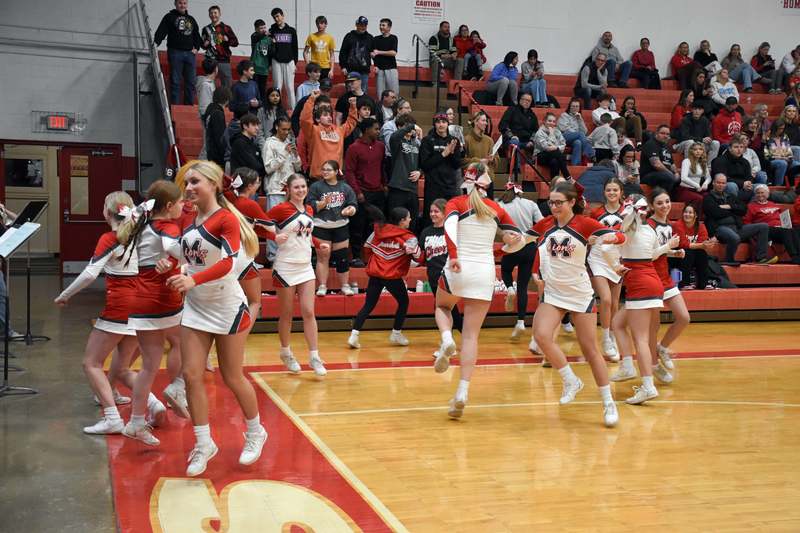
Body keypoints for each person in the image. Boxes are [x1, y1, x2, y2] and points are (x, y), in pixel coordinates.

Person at [164, 161, 266, 476]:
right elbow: (189, 255)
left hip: (226, 307)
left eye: (195, 181)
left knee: (232, 377)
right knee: (191, 375)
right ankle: (203, 443)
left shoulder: (226, 219)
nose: (189, 188)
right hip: (196, 307)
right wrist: (170, 263)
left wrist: (193, 279)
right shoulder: (187, 218)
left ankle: (256, 432)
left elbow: (228, 263)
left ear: (213, 184)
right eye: (186, 183)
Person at [432, 163, 523, 419]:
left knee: (442, 306)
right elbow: (517, 239)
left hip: (460, 267)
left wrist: (453, 255)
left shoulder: (457, 203)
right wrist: (505, 246)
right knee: (471, 336)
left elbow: (449, 228)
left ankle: (446, 339)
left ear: (466, 179)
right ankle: (462, 392)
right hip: (485, 272)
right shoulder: (496, 208)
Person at [530, 181, 625, 426]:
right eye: (551, 202)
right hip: (553, 292)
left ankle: (608, 402)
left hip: (579, 294)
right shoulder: (546, 224)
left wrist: (610, 237)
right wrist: (509, 241)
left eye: (558, 203)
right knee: (541, 335)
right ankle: (570, 380)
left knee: (590, 349)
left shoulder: (585, 224)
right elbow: (523, 239)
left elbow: (621, 236)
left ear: (572, 202)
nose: (554, 207)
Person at [54, 192, 141, 434]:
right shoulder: (139, 236)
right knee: (122, 367)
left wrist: (65, 295)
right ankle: (154, 406)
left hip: (119, 306)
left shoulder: (109, 238)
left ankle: (112, 418)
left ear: (107, 212)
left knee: (91, 363)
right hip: (141, 308)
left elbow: (90, 274)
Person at [117, 181, 185, 445]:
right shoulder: (167, 226)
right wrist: (179, 257)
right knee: (187, 343)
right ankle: (178, 388)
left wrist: (172, 261)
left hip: (141, 299)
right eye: (180, 202)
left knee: (148, 366)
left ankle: (136, 422)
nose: (183, 206)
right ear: (169, 206)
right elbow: (176, 248)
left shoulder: (142, 224)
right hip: (161, 299)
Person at [609, 194, 677, 404]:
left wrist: (615, 266)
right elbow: (653, 254)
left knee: (641, 339)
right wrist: (668, 246)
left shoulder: (625, 230)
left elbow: (605, 248)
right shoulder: (649, 230)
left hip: (640, 284)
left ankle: (648, 387)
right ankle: (627, 365)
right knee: (617, 323)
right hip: (653, 282)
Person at [263, 173, 330, 379]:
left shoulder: (309, 209)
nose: (301, 190)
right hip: (285, 267)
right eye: (296, 187)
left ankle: (314, 356)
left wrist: (318, 244)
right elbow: (257, 225)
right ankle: (286, 352)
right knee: (287, 314)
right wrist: (273, 236)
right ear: (289, 190)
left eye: (303, 186)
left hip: (305, 267)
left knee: (309, 311)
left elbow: (305, 235)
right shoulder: (281, 209)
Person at [348, 206, 420, 349]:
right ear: (402, 221)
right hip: (392, 276)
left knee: (368, 305)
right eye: (408, 217)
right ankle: (396, 333)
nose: (410, 219)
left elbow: (367, 248)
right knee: (404, 302)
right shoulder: (409, 237)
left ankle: (354, 335)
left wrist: (377, 260)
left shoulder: (378, 231)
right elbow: (417, 257)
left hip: (376, 274)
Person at [648, 189, 691, 376]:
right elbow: (647, 255)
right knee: (653, 327)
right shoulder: (648, 225)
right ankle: (653, 364)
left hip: (665, 277)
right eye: (659, 203)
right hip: (650, 279)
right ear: (651, 205)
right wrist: (668, 247)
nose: (664, 206)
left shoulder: (668, 225)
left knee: (684, 317)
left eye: (667, 201)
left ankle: (663, 348)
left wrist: (674, 253)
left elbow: (661, 252)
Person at [222, 168, 270, 327]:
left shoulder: (226, 200)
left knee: (227, 302)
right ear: (250, 186)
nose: (258, 185)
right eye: (257, 182)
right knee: (255, 301)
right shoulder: (249, 204)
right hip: (242, 256)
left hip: (223, 254)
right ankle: (241, 336)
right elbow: (270, 228)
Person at [498, 183, 543, 340]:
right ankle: (521, 322)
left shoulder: (500, 204)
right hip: (529, 246)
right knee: (523, 286)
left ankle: (510, 288)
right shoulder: (530, 204)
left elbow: (494, 224)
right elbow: (541, 224)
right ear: (520, 192)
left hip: (512, 245)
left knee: (505, 270)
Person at [307, 160, 358, 296]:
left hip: (341, 226)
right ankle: (322, 286)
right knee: (323, 258)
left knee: (342, 257)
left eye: (329, 170)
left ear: (336, 172)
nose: (325, 172)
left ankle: (345, 285)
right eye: (323, 169)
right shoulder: (316, 187)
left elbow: (353, 204)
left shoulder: (345, 187)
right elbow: (309, 206)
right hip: (321, 226)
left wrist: (350, 210)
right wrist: (322, 204)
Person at [588, 178, 625, 361]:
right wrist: (589, 239)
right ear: (604, 192)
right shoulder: (596, 212)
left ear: (621, 192)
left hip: (617, 259)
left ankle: (613, 336)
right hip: (597, 258)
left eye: (615, 190)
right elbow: (588, 233)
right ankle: (605, 339)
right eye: (609, 190)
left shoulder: (627, 212)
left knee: (615, 302)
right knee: (606, 299)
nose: (612, 193)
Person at [702, 173, 776, 265]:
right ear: (713, 183)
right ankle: (729, 260)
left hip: (737, 227)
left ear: (726, 184)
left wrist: (729, 206)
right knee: (735, 237)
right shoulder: (708, 198)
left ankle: (761, 258)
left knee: (763, 226)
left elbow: (743, 209)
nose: (721, 185)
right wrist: (734, 210)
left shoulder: (730, 196)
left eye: (723, 183)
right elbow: (715, 212)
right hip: (719, 228)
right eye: (718, 182)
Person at [345, 118, 387, 264]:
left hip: (378, 191)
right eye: (376, 129)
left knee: (375, 226)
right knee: (358, 225)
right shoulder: (354, 148)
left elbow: (382, 167)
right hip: (362, 192)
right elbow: (349, 172)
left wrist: (384, 184)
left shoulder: (380, 146)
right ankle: (357, 256)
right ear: (367, 130)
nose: (378, 131)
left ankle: (372, 255)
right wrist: (357, 192)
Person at [419, 199, 463, 332]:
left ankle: (452, 336)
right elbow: (421, 255)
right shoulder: (426, 232)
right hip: (433, 276)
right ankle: (453, 336)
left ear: (444, 213)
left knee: (445, 308)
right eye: (431, 211)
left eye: (436, 211)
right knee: (445, 309)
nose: (432, 214)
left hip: (448, 276)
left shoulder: (451, 231)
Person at [262, 116, 300, 262]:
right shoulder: (269, 143)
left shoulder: (289, 142)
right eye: (283, 129)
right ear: (277, 127)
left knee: (290, 224)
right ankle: (273, 256)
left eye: (288, 129)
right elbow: (268, 168)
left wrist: (295, 155)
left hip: (290, 190)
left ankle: (287, 254)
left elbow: (298, 167)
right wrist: (284, 153)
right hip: (275, 188)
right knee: (273, 225)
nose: (286, 132)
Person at [419, 113, 463, 228]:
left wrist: (452, 153)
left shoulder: (454, 141)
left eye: (443, 122)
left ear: (448, 124)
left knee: (449, 219)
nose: (441, 125)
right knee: (431, 220)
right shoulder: (427, 140)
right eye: (438, 122)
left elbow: (457, 165)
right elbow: (425, 165)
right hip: (433, 188)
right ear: (434, 124)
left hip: (450, 187)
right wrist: (443, 154)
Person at [301, 90, 357, 179]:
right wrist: (311, 99)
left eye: (330, 115)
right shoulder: (313, 131)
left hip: (336, 177)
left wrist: (353, 106)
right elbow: (305, 119)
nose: (329, 117)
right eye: (325, 115)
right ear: (318, 119)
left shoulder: (339, 131)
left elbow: (351, 123)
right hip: (318, 177)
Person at [154, 0, 202, 105]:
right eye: (180, 3)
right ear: (175, 4)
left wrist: (197, 48)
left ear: (187, 4)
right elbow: (161, 31)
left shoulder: (191, 19)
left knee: (191, 82)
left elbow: (196, 35)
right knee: (175, 82)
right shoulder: (169, 17)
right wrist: (155, 43)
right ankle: (175, 107)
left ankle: (188, 107)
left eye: (184, 3)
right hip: (175, 53)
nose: (182, 5)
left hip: (189, 54)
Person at [744, 184, 800, 264]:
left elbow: (782, 217)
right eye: (758, 193)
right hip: (767, 229)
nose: (760, 195)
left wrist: (786, 224)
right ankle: (794, 256)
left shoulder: (772, 204)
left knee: (794, 231)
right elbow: (747, 222)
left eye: (762, 193)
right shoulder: (751, 206)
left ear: (767, 194)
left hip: (779, 229)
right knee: (785, 231)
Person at [387, 114, 423, 224]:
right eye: (406, 126)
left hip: (412, 189)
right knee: (395, 223)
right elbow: (394, 136)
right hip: (398, 188)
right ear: (399, 127)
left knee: (412, 222)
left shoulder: (416, 143)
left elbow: (423, 163)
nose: (410, 129)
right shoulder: (396, 141)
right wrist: (411, 126)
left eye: (411, 126)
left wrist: (420, 172)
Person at [671, 203, 716, 289]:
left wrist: (706, 245)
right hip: (677, 255)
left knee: (701, 253)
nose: (687, 214)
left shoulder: (701, 226)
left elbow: (703, 243)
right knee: (687, 252)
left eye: (690, 212)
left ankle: (703, 284)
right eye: (685, 212)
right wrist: (702, 245)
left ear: (696, 215)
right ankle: (684, 284)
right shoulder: (678, 225)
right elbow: (682, 244)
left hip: (692, 256)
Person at [711, 135, 758, 200]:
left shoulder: (745, 162)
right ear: (730, 149)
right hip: (727, 187)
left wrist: (749, 183)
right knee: (732, 186)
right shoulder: (719, 161)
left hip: (743, 187)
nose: (739, 149)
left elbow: (749, 176)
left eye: (741, 147)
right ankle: (733, 204)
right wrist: (742, 184)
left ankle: (751, 205)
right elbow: (722, 179)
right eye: (736, 147)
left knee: (761, 187)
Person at [269, 8, 299, 109]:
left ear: (282, 16)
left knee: (290, 87)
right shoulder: (272, 30)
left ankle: (293, 110)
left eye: (278, 16)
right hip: (276, 61)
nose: (276, 19)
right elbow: (269, 49)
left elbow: (295, 47)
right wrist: (270, 64)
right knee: (277, 87)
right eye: (274, 17)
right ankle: (276, 109)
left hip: (289, 61)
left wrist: (295, 63)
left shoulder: (291, 31)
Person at [499, 93, 539, 168]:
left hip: (527, 141)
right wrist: (512, 136)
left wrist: (532, 141)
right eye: (524, 99)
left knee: (540, 143)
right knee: (515, 143)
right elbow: (502, 125)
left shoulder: (532, 115)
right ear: (520, 100)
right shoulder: (512, 110)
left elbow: (536, 131)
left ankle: (532, 169)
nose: (526, 102)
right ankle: (517, 169)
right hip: (512, 139)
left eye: (528, 101)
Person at [201, 5, 237, 88]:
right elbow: (203, 46)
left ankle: (226, 97)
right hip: (210, 60)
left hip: (223, 60)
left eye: (215, 13)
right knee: (208, 85)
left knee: (227, 85)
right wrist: (206, 43)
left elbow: (235, 43)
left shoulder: (226, 28)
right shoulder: (205, 29)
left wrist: (227, 40)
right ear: (209, 15)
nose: (213, 15)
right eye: (211, 13)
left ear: (220, 14)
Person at [463, 110, 499, 191]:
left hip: (487, 179)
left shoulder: (489, 140)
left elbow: (497, 159)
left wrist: (492, 159)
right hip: (472, 179)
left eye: (486, 121)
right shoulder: (466, 139)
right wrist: (478, 161)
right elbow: (462, 161)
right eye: (483, 120)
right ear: (476, 122)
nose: (486, 123)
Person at [640, 124, 679, 192]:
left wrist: (676, 173)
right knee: (668, 177)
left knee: (679, 179)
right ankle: (660, 195)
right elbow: (656, 164)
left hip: (664, 174)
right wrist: (670, 173)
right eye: (662, 133)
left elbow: (672, 164)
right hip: (649, 175)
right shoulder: (651, 144)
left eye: (667, 134)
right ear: (657, 133)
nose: (665, 136)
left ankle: (667, 196)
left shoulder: (666, 146)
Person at [533, 112, 571, 180]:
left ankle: (554, 182)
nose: (552, 123)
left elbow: (563, 145)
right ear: (544, 121)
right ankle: (567, 175)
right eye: (549, 121)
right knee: (556, 153)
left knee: (554, 161)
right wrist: (551, 134)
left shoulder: (557, 131)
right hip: (540, 156)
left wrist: (556, 147)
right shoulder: (539, 133)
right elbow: (547, 148)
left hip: (555, 155)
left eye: (553, 121)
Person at [558, 98, 594, 165]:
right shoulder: (564, 115)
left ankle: (575, 165)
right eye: (573, 106)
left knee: (578, 142)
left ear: (579, 108)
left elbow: (585, 132)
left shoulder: (579, 117)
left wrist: (580, 120)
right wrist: (576, 132)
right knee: (580, 134)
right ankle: (590, 153)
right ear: (570, 107)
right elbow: (563, 128)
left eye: (577, 106)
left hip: (575, 138)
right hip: (564, 137)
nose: (575, 108)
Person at [340, 16, 373, 90]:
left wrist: (376, 64)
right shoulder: (349, 36)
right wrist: (343, 66)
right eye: (361, 25)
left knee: (363, 91)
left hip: (364, 71)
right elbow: (343, 52)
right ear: (356, 25)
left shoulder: (370, 38)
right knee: (350, 91)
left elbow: (373, 52)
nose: (363, 27)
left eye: (365, 25)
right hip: (350, 70)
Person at [229, 113, 266, 178]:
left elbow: (260, 163)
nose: (257, 128)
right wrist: (263, 170)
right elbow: (253, 165)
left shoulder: (253, 144)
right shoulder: (239, 143)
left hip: (252, 179)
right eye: (254, 125)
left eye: (257, 125)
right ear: (245, 126)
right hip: (242, 180)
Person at [765, 119, 800, 185]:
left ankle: (793, 186)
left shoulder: (784, 136)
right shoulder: (768, 137)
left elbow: (789, 150)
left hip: (785, 159)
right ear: (775, 128)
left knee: (797, 164)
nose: (781, 130)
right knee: (782, 163)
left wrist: (789, 158)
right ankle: (778, 186)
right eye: (779, 129)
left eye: (783, 129)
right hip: (772, 160)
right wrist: (780, 158)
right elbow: (766, 155)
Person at [676, 142, 712, 206]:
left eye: (700, 149)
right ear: (691, 151)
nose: (698, 151)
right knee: (699, 199)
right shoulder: (687, 161)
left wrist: (705, 183)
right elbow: (683, 178)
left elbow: (708, 177)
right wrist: (697, 185)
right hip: (685, 189)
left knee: (709, 197)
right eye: (695, 149)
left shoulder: (703, 163)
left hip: (697, 190)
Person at [372, 18, 399, 97]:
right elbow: (374, 54)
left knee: (393, 92)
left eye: (383, 25)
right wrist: (375, 65)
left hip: (391, 68)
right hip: (379, 69)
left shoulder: (393, 38)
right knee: (380, 93)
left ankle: (393, 105)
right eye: (380, 25)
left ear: (389, 27)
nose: (381, 27)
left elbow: (393, 53)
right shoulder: (376, 39)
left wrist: (379, 52)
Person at [196, 58, 217, 158]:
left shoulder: (210, 83)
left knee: (209, 143)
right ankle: (200, 164)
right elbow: (204, 106)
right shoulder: (205, 85)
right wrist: (208, 118)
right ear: (215, 69)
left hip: (210, 115)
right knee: (207, 144)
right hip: (207, 117)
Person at [204, 87, 230, 169]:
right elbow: (220, 137)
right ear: (226, 100)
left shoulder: (210, 109)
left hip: (210, 149)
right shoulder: (218, 114)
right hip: (216, 154)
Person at [250, 19, 272, 103]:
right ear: (256, 29)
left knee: (262, 88)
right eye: (261, 28)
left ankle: (262, 104)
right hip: (254, 67)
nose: (263, 30)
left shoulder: (268, 39)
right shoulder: (254, 36)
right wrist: (265, 34)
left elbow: (271, 53)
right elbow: (257, 37)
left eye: (264, 28)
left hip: (264, 68)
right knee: (253, 87)